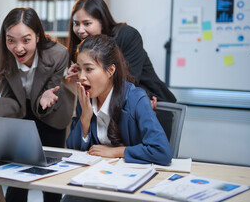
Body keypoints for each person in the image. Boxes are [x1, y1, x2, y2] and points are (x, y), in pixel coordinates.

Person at [0, 7, 73, 202]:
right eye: (11, 40)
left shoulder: (58, 54)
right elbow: (11, 101)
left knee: (50, 183)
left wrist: (44, 101)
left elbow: (51, 93)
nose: (18, 48)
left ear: (38, 36)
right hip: (18, 115)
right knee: (16, 179)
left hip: (51, 114)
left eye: (26, 40)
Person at [62, 34, 172, 202]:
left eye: (89, 69)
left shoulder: (136, 99)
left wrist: (115, 152)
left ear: (110, 70)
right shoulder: (86, 97)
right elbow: (73, 149)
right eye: (79, 69)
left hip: (131, 184)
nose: (82, 77)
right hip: (98, 180)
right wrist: (85, 119)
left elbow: (161, 151)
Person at [66, 0, 176, 139]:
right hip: (116, 107)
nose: (80, 30)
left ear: (102, 22)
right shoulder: (85, 44)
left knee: (148, 153)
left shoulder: (128, 35)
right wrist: (83, 73)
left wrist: (141, 103)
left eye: (87, 23)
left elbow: (129, 81)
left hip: (149, 102)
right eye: (76, 23)